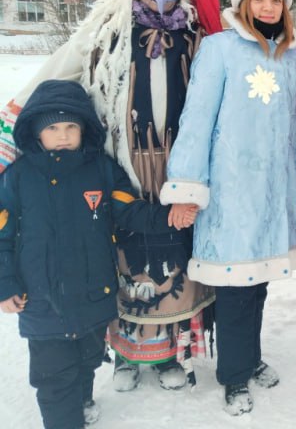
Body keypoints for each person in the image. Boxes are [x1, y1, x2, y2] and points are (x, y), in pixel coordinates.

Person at [0, 0, 219, 392]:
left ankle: (168, 354)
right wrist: (15, 127)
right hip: (120, 161)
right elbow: (58, 72)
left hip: (178, 164)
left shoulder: (195, 36)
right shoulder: (106, 30)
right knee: (119, 251)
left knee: (174, 247)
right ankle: (123, 354)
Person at [159, 0, 296, 415]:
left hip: (272, 195)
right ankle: (233, 376)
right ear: (243, 3)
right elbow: (196, 122)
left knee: (259, 284)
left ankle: (249, 360)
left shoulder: (295, 56)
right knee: (234, 289)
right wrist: (188, 190)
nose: (269, 7)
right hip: (230, 195)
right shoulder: (219, 49)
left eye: (277, 0)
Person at [0, 80, 196, 429]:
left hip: (93, 295)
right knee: (53, 377)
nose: (63, 135)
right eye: (53, 128)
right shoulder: (17, 178)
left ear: (84, 129)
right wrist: (4, 284)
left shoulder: (101, 171)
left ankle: (83, 398)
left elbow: (130, 211)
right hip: (41, 301)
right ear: (36, 132)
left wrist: (169, 215)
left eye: (71, 126)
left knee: (87, 359)